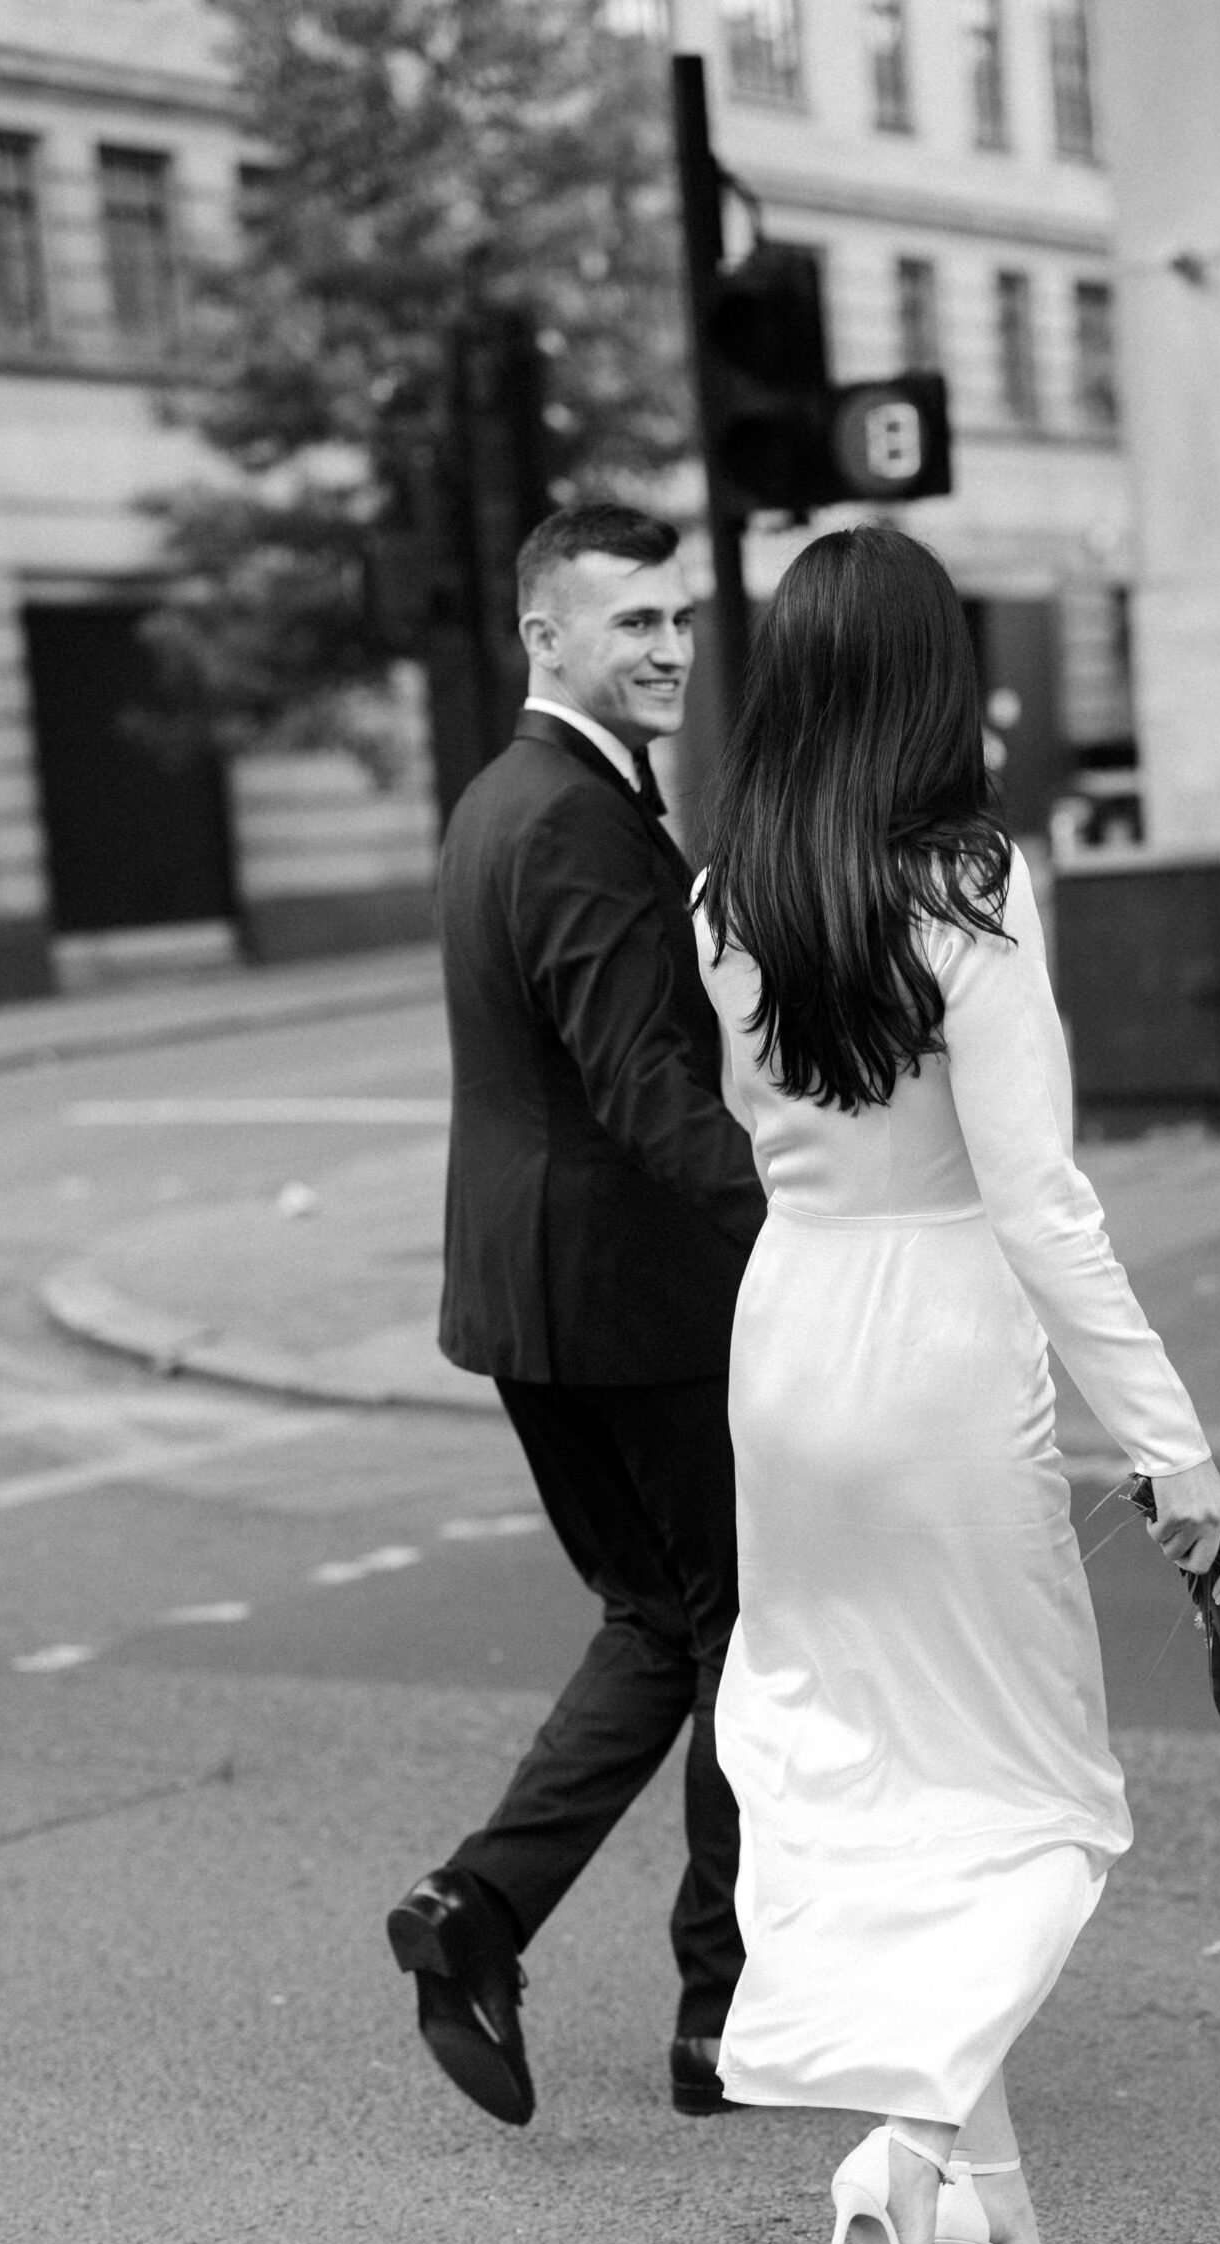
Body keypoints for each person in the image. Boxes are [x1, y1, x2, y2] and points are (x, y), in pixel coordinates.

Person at [693, 524, 1220, 2244]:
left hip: (786, 1351)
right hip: (937, 1352)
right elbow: (1041, 1204)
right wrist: (1176, 1458)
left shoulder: (726, 891)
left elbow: (753, 1125)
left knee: (873, 1763)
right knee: (1037, 1799)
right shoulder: (977, 884)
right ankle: (908, 2149)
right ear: (937, 682)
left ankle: (989, 2226)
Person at [387, 501, 766, 2127]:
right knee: (747, 1636)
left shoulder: (510, 798)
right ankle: (722, 2015)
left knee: (661, 1621)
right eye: (633, 624)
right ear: (548, 636)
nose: (670, 647)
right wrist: (810, 1228)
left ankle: (476, 1914)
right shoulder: (570, 818)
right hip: (633, 1304)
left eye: (677, 619)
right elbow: (644, 1088)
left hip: (536, 1302)